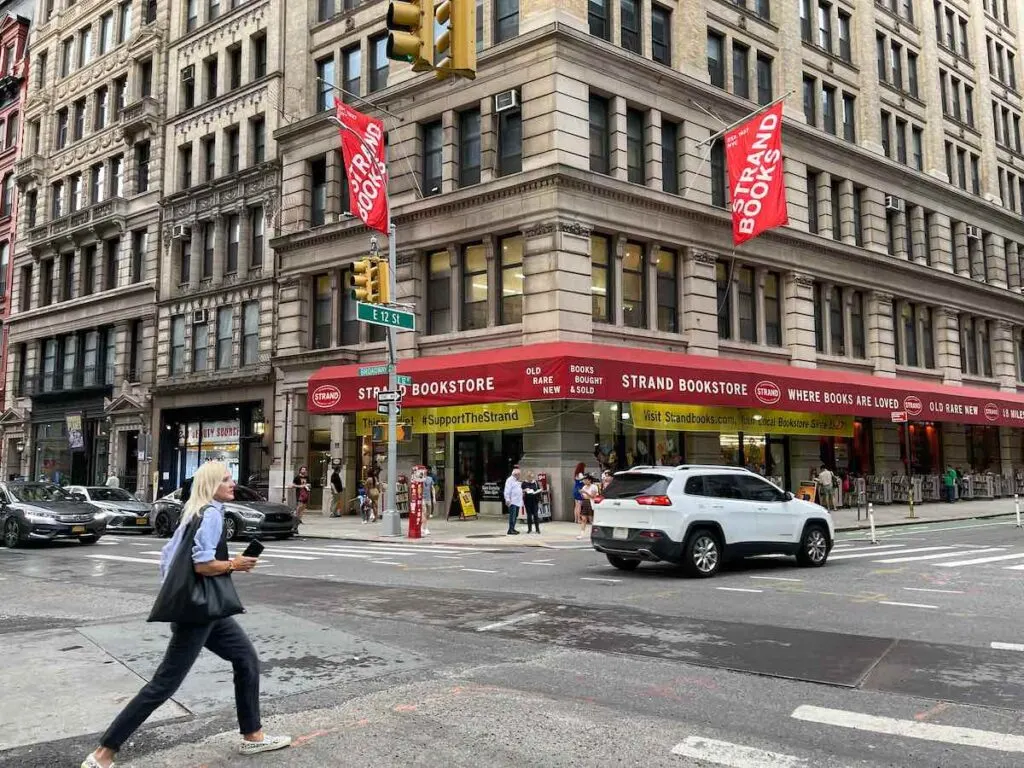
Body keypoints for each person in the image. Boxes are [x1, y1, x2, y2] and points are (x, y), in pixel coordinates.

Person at [80, 461, 291, 768]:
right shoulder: (212, 515)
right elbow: (203, 565)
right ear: (211, 485)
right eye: (226, 480)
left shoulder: (195, 512)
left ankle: (253, 735)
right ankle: (103, 754)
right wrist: (235, 564)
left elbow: (167, 558)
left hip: (206, 609)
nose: (233, 484)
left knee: (246, 659)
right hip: (198, 612)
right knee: (163, 684)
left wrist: (179, 594)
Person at [577, 474, 599, 540]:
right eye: (584, 480)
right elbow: (583, 496)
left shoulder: (594, 486)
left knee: (591, 519)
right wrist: (582, 493)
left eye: (585, 480)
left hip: (591, 503)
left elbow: (593, 496)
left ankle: (595, 534)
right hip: (585, 502)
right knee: (583, 519)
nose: (584, 481)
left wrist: (585, 492)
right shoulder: (584, 487)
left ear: (589, 480)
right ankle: (581, 534)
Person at [503, 466, 523, 535]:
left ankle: (513, 528)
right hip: (512, 501)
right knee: (512, 515)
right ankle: (510, 529)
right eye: (519, 475)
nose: (520, 476)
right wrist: (507, 499)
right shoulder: (509, 480)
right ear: (515, 474)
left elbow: (518, 489)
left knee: (516, 515)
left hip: (517, 501)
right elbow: (507, 490)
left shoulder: (517, 481)